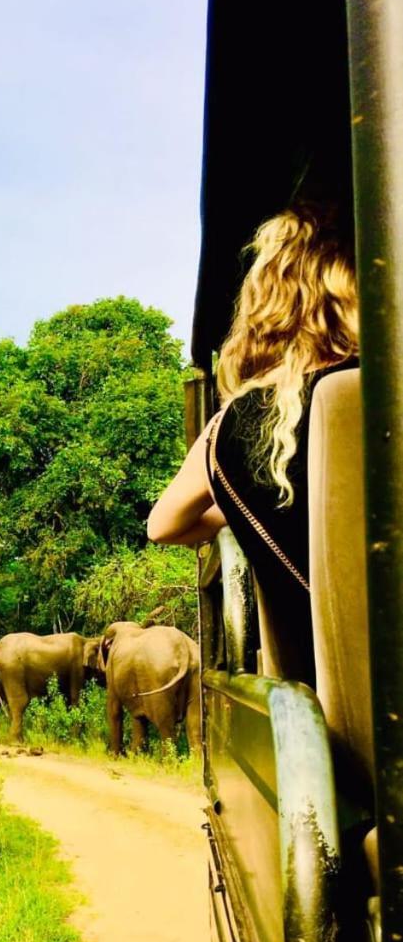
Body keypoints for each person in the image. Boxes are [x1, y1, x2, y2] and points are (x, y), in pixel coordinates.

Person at [147, 202, 359, 686]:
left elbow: (162, 524)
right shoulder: (377, 390)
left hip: (329, 690)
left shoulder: (228, 430)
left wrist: (242, 503)